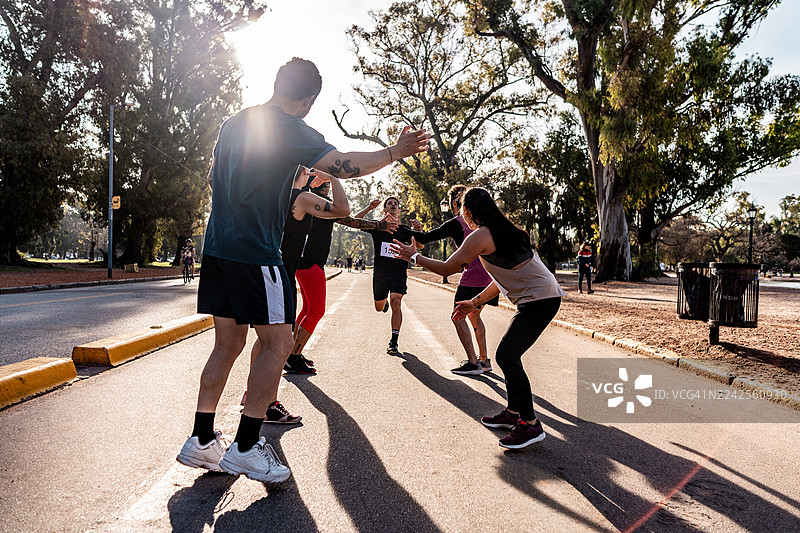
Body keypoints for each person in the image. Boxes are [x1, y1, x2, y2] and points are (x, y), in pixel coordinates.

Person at [176, 57, 429, 483]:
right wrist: (395, 152)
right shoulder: (292, 129)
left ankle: (201, 440)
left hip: (217, 247)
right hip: (256, 250)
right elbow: (344, 162)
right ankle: (245, 446)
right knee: (280, 342)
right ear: (310, 100)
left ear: (276, 82)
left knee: (227, 343)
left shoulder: (233, 123)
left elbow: (214, 175)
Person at [390, 187, 565, 449]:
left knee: (507, 355)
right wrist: (474, 302)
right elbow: (502, 277)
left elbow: (449, 267)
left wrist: (414, 256)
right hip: (541, 297)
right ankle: (514, 414)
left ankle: (530, 424)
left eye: (462, 212)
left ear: (468, 212)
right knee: (508, 354)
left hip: (539, 300)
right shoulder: (503, 230)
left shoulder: (481, 235)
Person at [288, 190, 399, 370]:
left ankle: (291, 352)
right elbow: (352, 221)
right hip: (311, 262)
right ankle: (294, 356)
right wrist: (379, 225)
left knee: (308, 309)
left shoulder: (305, 200)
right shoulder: (323, 204)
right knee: (316, 311)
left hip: (302, 261)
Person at [408, 185, 497, 375]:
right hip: (489, 278)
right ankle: (484, 360)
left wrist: (399, 230)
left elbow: (426, 238)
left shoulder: (456, 223)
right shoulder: (484, 223)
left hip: (472, 278)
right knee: (474, 316)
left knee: (458, 316)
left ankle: (473, 363)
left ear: (455, 204)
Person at [356, 197, 427, 355]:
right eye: (390, 203)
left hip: (398, 272)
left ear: (399, 210)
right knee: (379, 307)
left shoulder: (405, 230)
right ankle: (384, 303)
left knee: (397, 301)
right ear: (384, 210)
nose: (393, 205)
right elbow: (355, 221)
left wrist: (419, 231)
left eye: (396, 204)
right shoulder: (377, 227)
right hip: (381, 274)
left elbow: (420, 245)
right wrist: (369, 207)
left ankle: (394, 342)